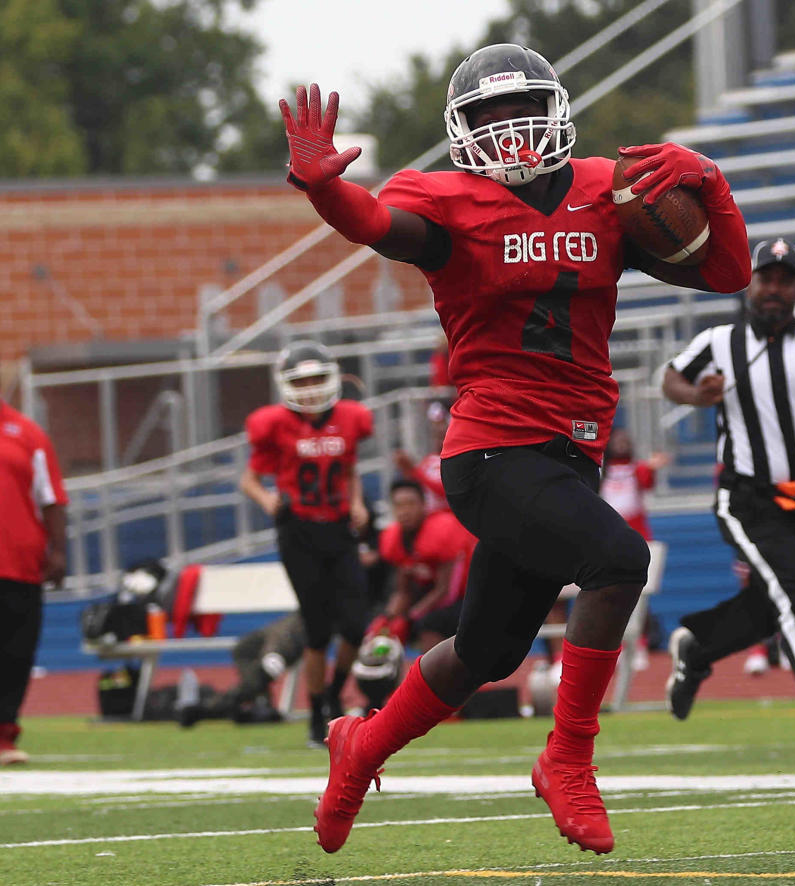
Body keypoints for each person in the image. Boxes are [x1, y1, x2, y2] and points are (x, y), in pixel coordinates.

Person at [279, 43, 750, 854]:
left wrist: (709, 182)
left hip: (572, 451)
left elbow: (729, 273)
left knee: (485, 653)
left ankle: (360, 746)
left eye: (520, 108)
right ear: (462, 131)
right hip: (492, 447)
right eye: (489, 115)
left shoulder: (609, 193)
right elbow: (375, 223)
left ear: (557, 112)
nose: (509, 128)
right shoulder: (448, 200)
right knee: (617, 559)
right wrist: (327, 190)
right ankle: (567, 758)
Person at [662, 236, 795, 776]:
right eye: (767, 278)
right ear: (751, 283)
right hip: (746, 496)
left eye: (786, 279)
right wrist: (697, 395)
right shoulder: (720, 340)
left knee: (768, 606)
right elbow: (669, 377)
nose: (775, 289)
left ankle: (698, 647)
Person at [240, 341, 373, 747]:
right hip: (298, 530)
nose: (311, 387)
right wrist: (267, 500)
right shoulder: (275, 424)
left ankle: (334, 694)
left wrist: (357, 503)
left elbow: (348, 466)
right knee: (317, 630)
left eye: (317, 378)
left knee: (354, 623)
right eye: (302, 380)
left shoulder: (351, 418)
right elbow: (249, 479)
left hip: (338, 527)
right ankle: (317, 713)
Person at [0, 347, 68, 765]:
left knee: (13, 654)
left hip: (18, 563)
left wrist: (59, 550)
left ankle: (2, 736)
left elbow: (53, 498)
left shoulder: (28, 433)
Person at [369, 479, 475, 653]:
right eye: (399, 505)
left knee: (429, 624)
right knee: (382, 630)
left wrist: (410, 618)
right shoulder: (396, 538)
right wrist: (387, 619)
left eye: (410, 504)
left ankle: (436, 676)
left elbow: (447, 592)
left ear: (424, 505)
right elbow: (403, 591)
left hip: (468, 595)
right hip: (433, 594)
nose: (405, 511)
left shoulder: (440, 531)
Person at [599, 428, 669, 669]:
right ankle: (614, 646)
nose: (621, 444)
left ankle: (639, 644)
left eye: (625, 440)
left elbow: (648, 482)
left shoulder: (637, 469)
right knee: (609, 597)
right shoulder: (601, 473)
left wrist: (653, 466)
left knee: (639, 597)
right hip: (606, 541)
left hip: (638, 539)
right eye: (616, 440)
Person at [176, 612, 306, 726]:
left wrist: (272, 653)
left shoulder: (304, 619)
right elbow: (280, 636)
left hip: (272, 649)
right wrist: (272, 653)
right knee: (252, 683)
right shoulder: (300, 620)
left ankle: (217, 709)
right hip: (257, 650)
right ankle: (205, 710)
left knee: (255, 684)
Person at [392, 401, 450, 514]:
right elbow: (414, 487)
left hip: (450, 517)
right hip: (428, 519)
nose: (440, 439)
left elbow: (446, 490)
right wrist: (405, 469)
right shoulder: (428, 461)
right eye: (436, 435)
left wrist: (413, 469)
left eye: (442, 434)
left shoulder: (458, 460)